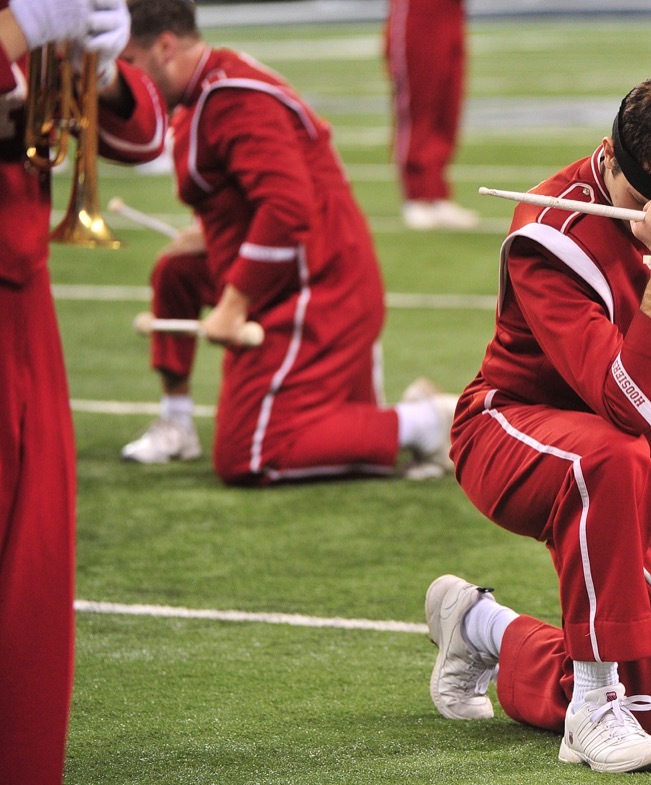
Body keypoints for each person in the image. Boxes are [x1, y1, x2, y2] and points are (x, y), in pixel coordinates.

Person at [426, 74, 651, 773]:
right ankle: (589, 714)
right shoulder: (547, 237)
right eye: (642, 201)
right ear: (608, 156)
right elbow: (625, 403)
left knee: (644, 700)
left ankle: (481, 627)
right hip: (510, 428)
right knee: (615, 456)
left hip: (621, 454)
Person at [118, 0, 454, 484]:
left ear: (165, 47)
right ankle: (177, 421)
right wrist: (213, 236)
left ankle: (424, 421)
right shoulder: (210, 87)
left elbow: (286, 208)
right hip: (301, 267)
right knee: (175, 271)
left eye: (128, 63)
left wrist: (233, 304)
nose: (125, 78)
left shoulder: (233, 97)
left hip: (320, 283)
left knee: (250, 453)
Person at [1, 1, 168, 781]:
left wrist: (94, 71)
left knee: (31, 579)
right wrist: (19, 35)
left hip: (20, 284)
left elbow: (145, 135)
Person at [384, 0, 478, 231]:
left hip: (452, 12)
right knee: (418, 105)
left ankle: (437, 194)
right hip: (418, 11)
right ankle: (416, 195)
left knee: (448, 107)